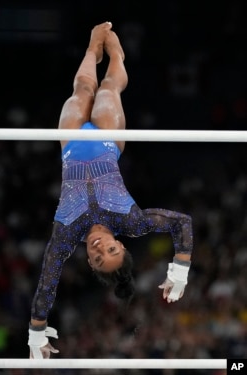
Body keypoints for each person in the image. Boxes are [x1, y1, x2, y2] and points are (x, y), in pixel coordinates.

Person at [28, 22, 193, 359]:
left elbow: (47, 281)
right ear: (120, 243)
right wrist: (179, 268)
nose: (100, 249)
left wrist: (36, 334)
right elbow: (181, 222)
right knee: (106, 91)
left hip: (72, 144)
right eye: (112, 251)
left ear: (89, 261)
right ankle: (115, 51)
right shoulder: (130, 221)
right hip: (106, 140)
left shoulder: (67, 231)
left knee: (81, 91)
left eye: (98, 258)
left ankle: (92, 47)